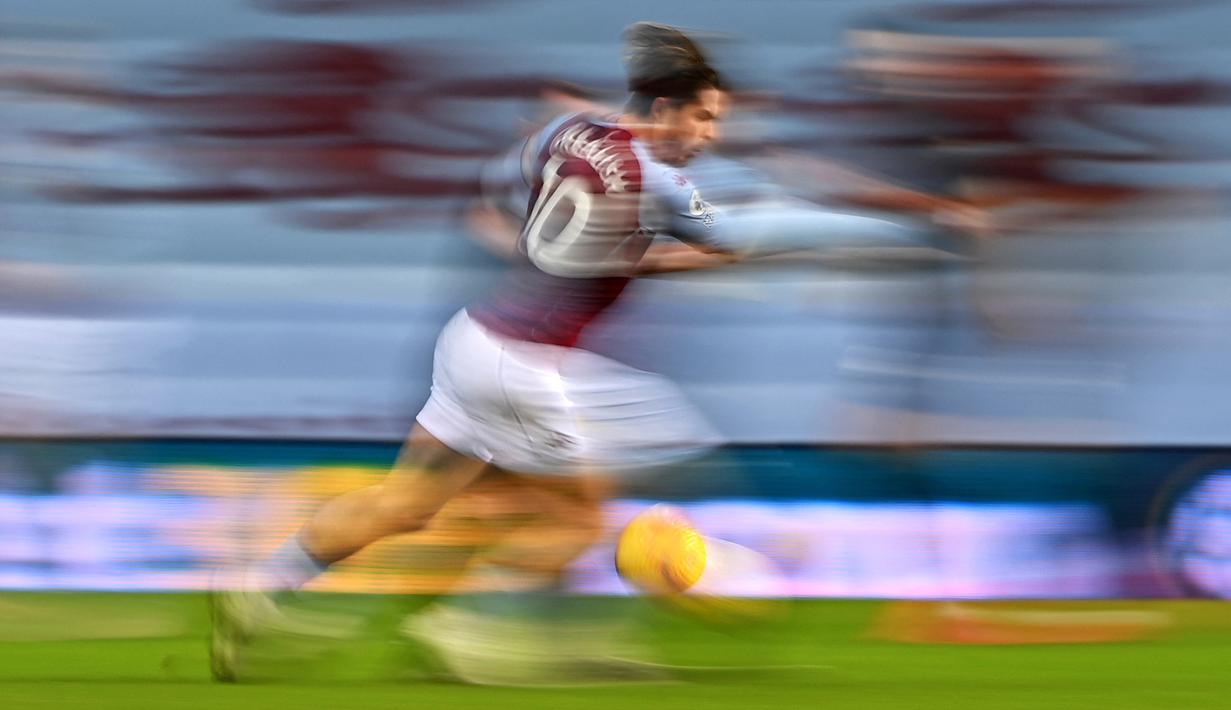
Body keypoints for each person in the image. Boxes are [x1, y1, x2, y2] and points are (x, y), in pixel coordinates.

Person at [210, 21, 916, 683]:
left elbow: (525, 198)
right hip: (523, 363)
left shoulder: (567, 131)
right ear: (666, 107)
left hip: (472, 340)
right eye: (704, 117)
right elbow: (728, 238)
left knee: (406, 502)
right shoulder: (661, 184)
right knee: (578, 517)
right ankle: (466, 630)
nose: (708, 135)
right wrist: (850, 234)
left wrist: (579, 243)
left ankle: (263, 582)